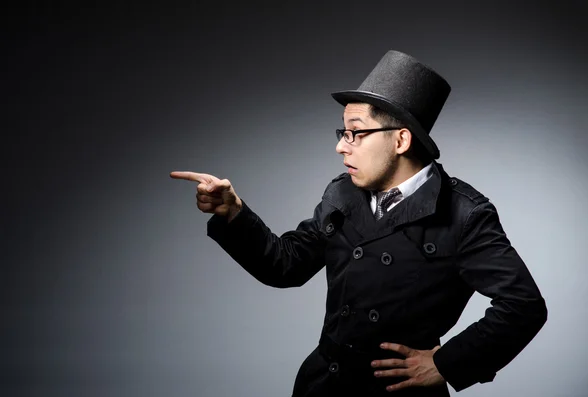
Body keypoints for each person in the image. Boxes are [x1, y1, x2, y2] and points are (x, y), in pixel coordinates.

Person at [170, 50, 548, 396]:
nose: (341, 145)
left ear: (400, 140)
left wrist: (445, 364)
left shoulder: (464, 213)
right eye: (342, 133)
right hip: (323, 384)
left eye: (356, 132)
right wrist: (234, 213)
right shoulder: (344, 194)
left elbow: (523, 306)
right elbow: (285, 265)